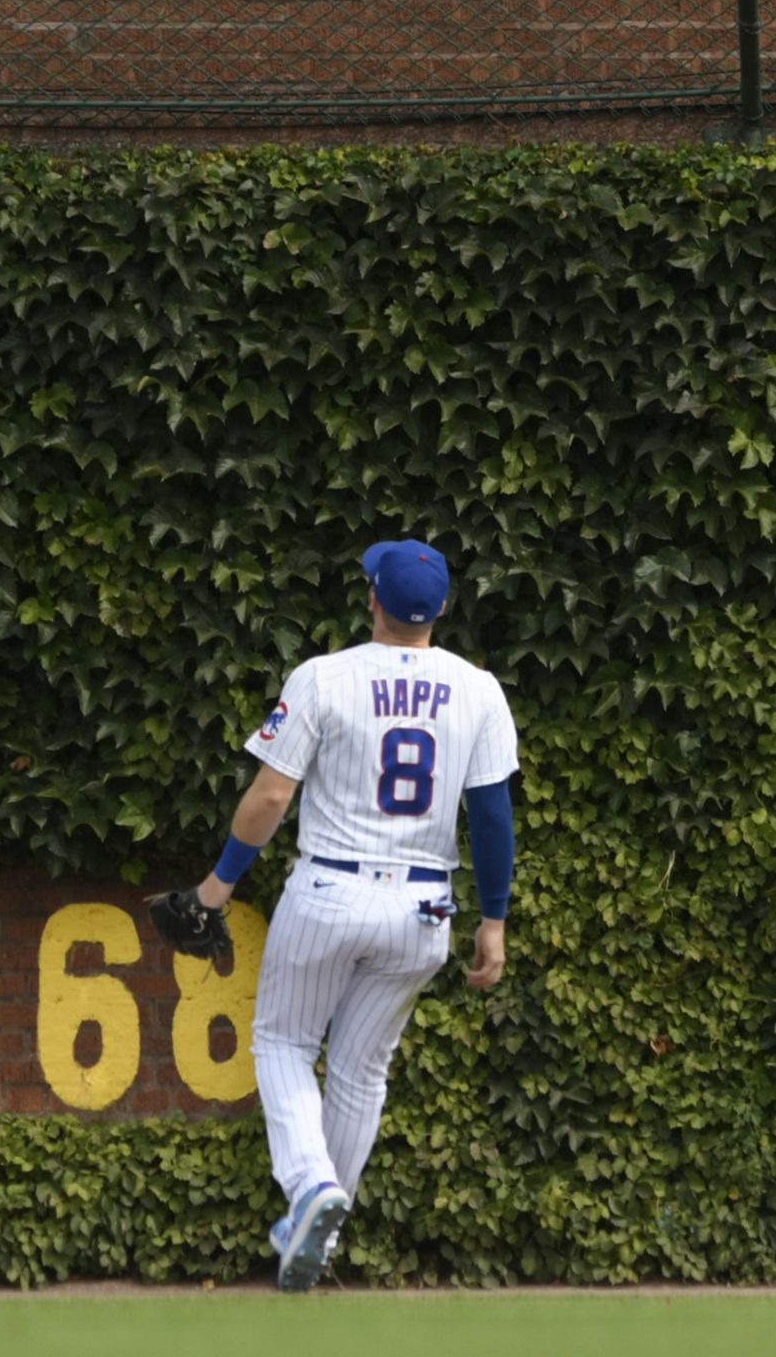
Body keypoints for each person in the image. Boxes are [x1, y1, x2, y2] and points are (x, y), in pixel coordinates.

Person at [144, 537, 517, 1295]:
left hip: (330, 890)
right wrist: (495, 919)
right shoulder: (479, 690)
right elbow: (491, 816)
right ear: (441, 608)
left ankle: (313, 1189)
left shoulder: (324, 678)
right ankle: (316, 1228)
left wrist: (216, 889)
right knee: (361, 1069)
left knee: (282, 1040)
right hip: (424, 905)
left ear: (372, 600)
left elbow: (272, 798)